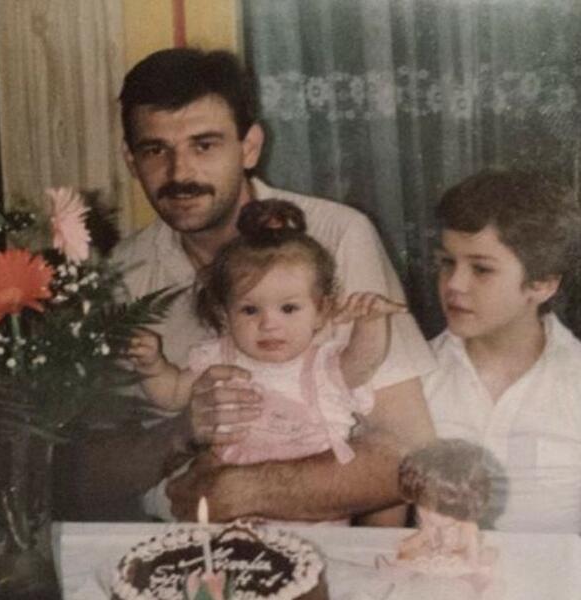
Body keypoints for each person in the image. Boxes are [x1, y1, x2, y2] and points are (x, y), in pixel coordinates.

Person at [70, 47, 436, 522]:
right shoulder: (125, 270)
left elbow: (408, 452)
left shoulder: (337, 235)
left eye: (204, 145)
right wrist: (182, 432)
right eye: (155, 150)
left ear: (250, 147)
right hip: (178, 541)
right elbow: (91, 472)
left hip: (319, 539)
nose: (180, 174)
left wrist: (241, 491)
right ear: (130, 158)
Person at [130, 199, 406, 498]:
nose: (268, 324)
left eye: (288, 308)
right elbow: (171, 394)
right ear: (224, 314)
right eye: (250, 310)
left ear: (321, 311)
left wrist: (371, 321)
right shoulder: (218, 360)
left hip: (313, 501)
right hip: (229, 498)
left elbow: (364, 362)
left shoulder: (321, 364)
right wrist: (152, 366)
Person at [424, 168, 581, 533]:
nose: (455, 284)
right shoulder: (416, 372)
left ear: (541, 285)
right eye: (447, 263)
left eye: (481, 269)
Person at [396, 438, 495, 567]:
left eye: (442, 511)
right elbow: (408, 546)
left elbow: (474, 562)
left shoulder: (468, 527)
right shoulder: (429, 525)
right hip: (435, 561)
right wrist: (412, 546)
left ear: (462, 507)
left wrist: (467, 560)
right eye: (424, 507)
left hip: (458, 562)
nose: (431, 517)